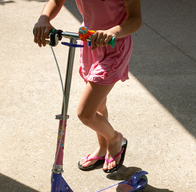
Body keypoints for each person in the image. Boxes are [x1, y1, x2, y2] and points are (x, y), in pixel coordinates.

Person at [33, 0, 142, 173]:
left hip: (114, 47)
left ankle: (114, 139)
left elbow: (135, 19)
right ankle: (102, 147)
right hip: (90, 43)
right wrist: (44, 18)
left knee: (85, 113)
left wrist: (113, 32)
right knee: (99, 105)